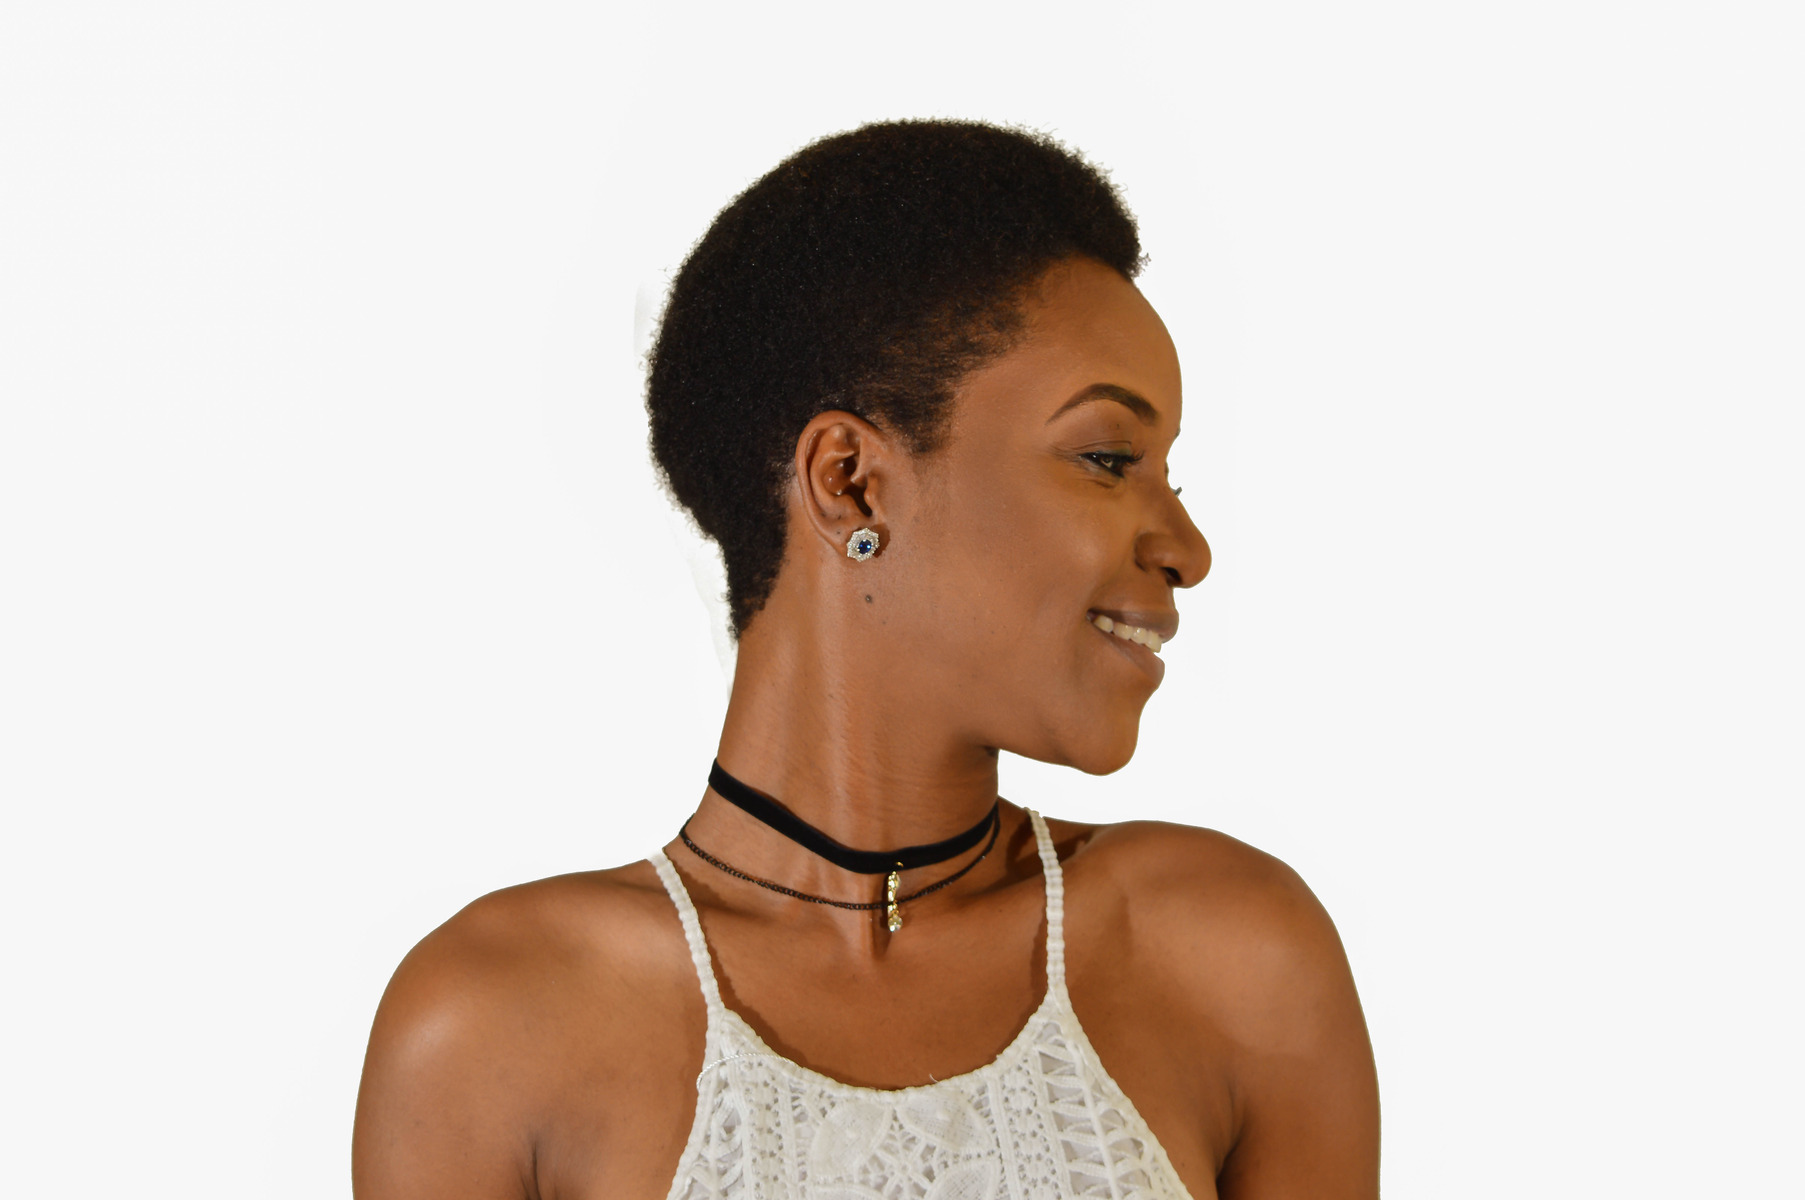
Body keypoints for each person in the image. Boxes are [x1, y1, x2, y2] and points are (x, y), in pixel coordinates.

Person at [352, 120, 1379, 1199]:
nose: (1186, 549)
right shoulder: (490, 1029)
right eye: (1107, 457)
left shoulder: (1229, 962)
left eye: (1168, 474)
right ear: (848, 482)